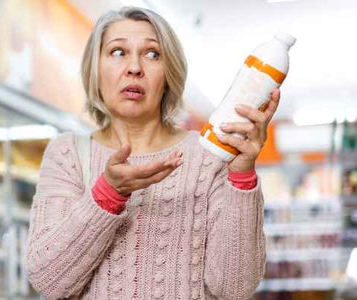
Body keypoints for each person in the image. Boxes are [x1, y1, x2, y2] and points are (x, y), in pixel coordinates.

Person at [26, 6, 279, 300]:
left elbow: (234, 288)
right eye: (118, 52)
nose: (134, 67)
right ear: (95, 70)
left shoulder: (210, 155)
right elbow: (48, 280)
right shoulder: (68, 154)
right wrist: (108, 194)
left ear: (169, 73)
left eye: (152, 54)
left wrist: (242, 175)